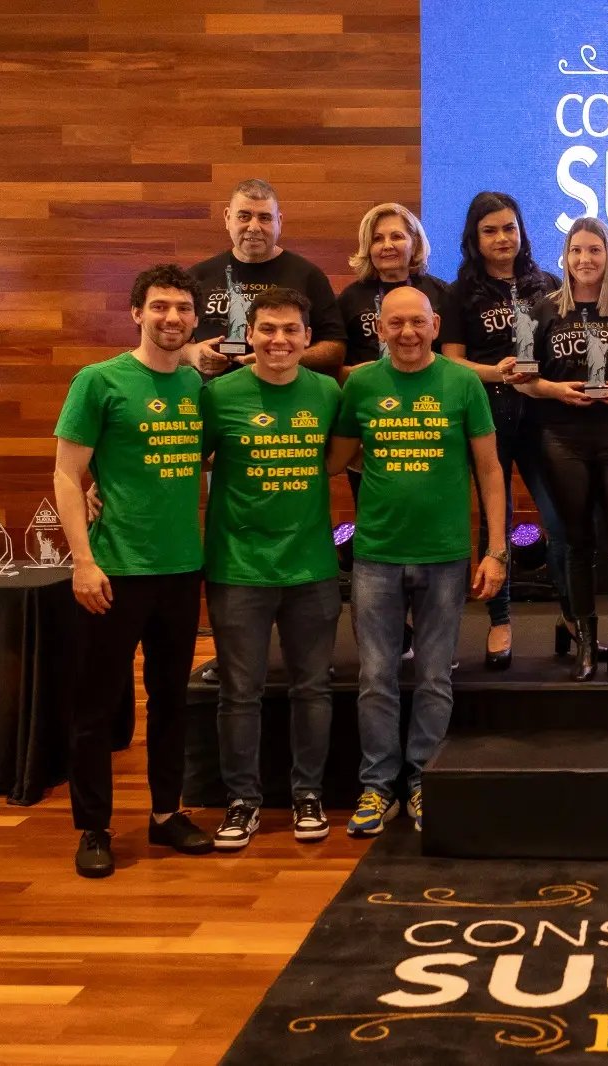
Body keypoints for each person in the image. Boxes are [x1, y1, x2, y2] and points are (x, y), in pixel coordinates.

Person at [52, 264, 213, 878]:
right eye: (160, 306)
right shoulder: (98, 381)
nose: (172, 317)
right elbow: (67, 474)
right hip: (113, 571)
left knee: (171, 701)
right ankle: (93, 827)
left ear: (195, 318)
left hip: (182, 569)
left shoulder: (197, 387)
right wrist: (83, 560)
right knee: (96, 706)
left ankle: (166, 813)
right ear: (137, 313)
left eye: (182, 308)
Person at [327, 286, 507, 835]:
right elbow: (334, 460)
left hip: (446, 555)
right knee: (375, 678)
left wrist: (496, 550)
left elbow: (490, 470)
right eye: (396, 323)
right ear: (380, 329)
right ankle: (377, 788)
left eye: (417, 322)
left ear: (434, 326)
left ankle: (423, 781)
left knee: (433, 677)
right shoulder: (360, 384)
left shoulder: (463, 382)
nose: (407, 332)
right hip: (376, 554)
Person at [201, 288, 343, 849]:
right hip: (238, 568)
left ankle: (308, 794)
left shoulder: (328, 393)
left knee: (312, 689)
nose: (278, 340)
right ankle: (242, 801)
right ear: (250, 335)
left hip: (312, 566)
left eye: (290, 330)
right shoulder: (217, 395)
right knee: (240, 692)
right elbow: (181, 463)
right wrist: (101, 490)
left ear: (307, 338)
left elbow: (344, 458)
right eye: (267, 329)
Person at [517, 217, 608, 682]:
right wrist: (555, 391)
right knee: (577, 543)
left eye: (594, 250)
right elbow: (524, 380)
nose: (585, 259)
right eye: (576, 250)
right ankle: (585, 645)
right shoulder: (542, 311)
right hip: (563, 439)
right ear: (565, 256)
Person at [439, 192, 569, 669]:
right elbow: (451, 361)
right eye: (490, 230)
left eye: (509, 228)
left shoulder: (548, 285)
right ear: (474, 238)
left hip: (542, 414)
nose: (501, 238)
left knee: (560, 520)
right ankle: (499, 620)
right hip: (487, 415)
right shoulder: (459, 292)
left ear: (521, 231)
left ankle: (571, 616)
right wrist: (497, 372)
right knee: (496, 521)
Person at [187, 178, 347, 377]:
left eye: (264, 218)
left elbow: (335, 349)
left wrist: (283, 358)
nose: (254, 227)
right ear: (227, 217)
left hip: (286, 391)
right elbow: (164, 338)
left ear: (279, 221)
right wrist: (191, 353)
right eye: (244, 216)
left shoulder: (308, 276)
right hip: (212, 392)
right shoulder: (198, 276)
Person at [337, 202, 449, 372]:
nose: (387, 245)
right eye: (377, 239)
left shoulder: (441, 293)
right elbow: (335, 369)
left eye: (397, 237)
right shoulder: (350, 298)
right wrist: (362, 374)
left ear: (415, 243)